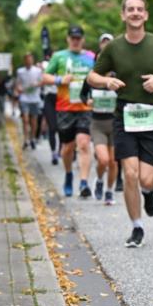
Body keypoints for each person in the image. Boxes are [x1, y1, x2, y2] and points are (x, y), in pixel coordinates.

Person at [87, 0, 153, 248]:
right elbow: (91, 77)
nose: (135, 13)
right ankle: (137, 226)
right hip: (124, 117)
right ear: (123, 15)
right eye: (130, 9)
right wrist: (107, 81)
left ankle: (149, 192)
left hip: (152, 116)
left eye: (140, 9)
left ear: (146, 14)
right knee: (130, 174)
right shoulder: (114, 47)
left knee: (146, 179)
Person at [42, 25, 96, 198]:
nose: (75, 41)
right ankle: (68, 174)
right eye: (73, 38)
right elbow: (44, 77)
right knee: (67, 149)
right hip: (65, 108)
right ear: (68, 39)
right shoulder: (59, 56)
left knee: (83, 144)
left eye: (78, 38)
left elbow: (97, 77)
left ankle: (84, 183)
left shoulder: (91, 57)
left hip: (84, 107)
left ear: (83, 40)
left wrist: (95, 95)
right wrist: (59, 79)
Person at [80, 34, 119, 205]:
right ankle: (100, 179)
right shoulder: (91, 78)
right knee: (103, 159)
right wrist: (87, 101)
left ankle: (109, 191)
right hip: (98, 123)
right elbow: (83, 95)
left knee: (114, 161)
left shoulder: (117, 76)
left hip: (115, 123)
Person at [15, 53, 43, 149]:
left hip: (35, 98)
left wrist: (36, 84)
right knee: (25, 120)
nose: (29, 61)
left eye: (30, 59)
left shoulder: (38, 71)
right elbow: (18, 84)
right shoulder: (20, 71)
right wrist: (19, 89)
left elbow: (42, 81)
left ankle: (32, 138)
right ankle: (25, 139)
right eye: (27, 59)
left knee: (34, 121)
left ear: (33, 60)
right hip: (24, 98)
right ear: (24, 61)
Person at [39, 50, 59, 164]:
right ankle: (53, 153)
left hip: (61, 98)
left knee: (62, 128)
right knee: (52, 127)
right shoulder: (46, 66)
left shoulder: (62, 66)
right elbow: (42, 77)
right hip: (49, 98)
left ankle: (64, 149)